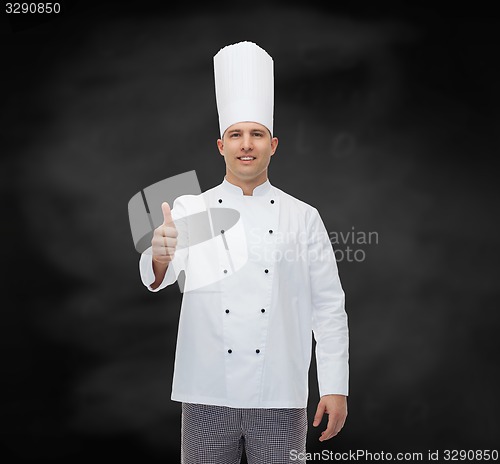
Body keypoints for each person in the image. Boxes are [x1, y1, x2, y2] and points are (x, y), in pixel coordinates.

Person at [139, 41, 349, 464]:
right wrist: (159, 252)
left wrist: (335, 387)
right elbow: (158, 274)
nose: (246, 144)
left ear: (274, 144)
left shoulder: (303, 216)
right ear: (221, 146)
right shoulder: (190, 209)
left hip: (281, 394)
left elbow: (328, 306)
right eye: (236, 135)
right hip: (206, 393)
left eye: (257, 134)